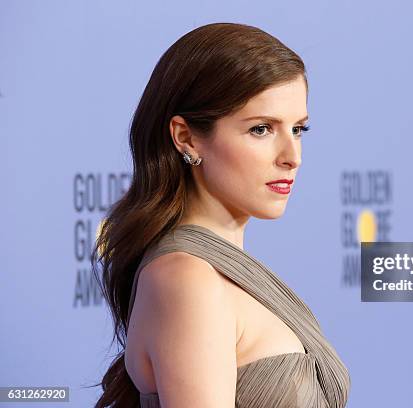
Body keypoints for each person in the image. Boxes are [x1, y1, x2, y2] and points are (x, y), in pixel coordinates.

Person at [91, 22, 351, 407]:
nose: (291, 157)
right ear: (186, 137)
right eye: (261, 129)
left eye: (298, 129)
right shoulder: (186, 280)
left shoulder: (211, 273)